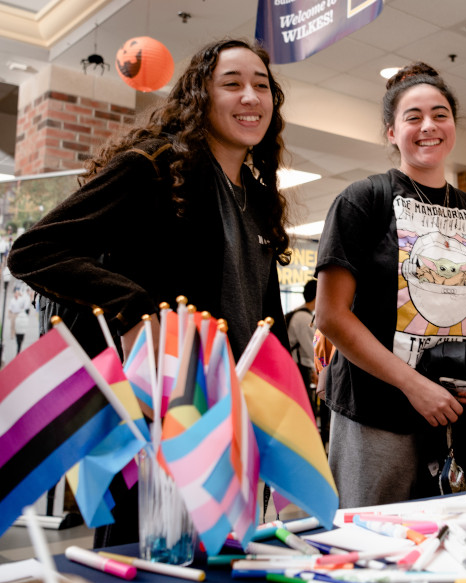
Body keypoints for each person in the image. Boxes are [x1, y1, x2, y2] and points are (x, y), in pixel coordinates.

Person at [8, 38, 293, 546]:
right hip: (161, 419)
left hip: (233, 423)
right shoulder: (157, 166)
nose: (251, 96)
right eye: (232, 84)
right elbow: (35, 250)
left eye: (262, 85)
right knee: (147, 569)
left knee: (225, 568)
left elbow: (261, 323)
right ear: (199, 97)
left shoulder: (259, 201)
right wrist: (134, 307)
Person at [314, 62, 466, 507]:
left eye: (440, 114)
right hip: (378, 412)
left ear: (453, 125)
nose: (428, 126)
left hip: (457, 406)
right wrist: (413, 385)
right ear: (392, 132)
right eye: (413, 117)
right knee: (376, 540)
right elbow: (332, 316)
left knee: (460, 528)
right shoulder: (362, 200)